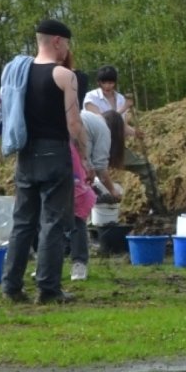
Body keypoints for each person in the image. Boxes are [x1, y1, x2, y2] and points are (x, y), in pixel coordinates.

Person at [4, 19, 88, 306]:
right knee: (52, 222)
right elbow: (74, 123)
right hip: (54, 152)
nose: (67, 49)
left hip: (25, 153)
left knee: (22, 222)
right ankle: (48, 288)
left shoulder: (18, 73)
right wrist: (85, 157)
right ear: (56, 41)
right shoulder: (64, 76)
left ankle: (11, 285)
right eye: (66, 43)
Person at [84, 66, 167, 216]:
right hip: (96, 145)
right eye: (105, 82)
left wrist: (135, 132)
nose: (108, 86)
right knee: (91, 178)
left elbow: (120, 125)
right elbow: (103, 121)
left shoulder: (120, 98)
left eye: (111, 82)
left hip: (115, 146)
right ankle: (90, 216)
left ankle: (156, 206)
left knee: (146, 168)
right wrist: (124, 108)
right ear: (99, 83)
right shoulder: (91, 98)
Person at [70, 102, 116, 283]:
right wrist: (113, 191)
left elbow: (97, 164)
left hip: (70, 166)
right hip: (66, 166)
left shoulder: (89, 122)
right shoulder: (99, 126)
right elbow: (101, 167)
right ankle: (72, 264)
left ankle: (72, 264)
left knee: (60, 217)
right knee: (75, 217)